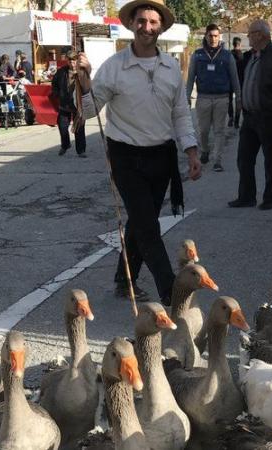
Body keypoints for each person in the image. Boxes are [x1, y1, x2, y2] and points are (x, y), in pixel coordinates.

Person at [76, 0, 201, 304]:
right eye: (141, 21)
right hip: (125, 158)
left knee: (138, 221)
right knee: (147, 225)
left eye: (153, 22)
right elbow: (90, 110)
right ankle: (172, 293)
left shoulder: (171, 67)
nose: (147, 27)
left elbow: (181, 113)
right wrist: (84, 79)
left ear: (162, 27)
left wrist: (192, 151)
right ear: (131, 24)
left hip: (161, 157)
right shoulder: (114, 67)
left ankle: (123, 278)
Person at [228, 19, 272, 211]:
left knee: (270, 159)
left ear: (260, 35)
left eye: (250, 33)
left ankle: (269, 198)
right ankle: (246, 196)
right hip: (249, 118)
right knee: (244, 158)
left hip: (268, 117)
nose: (248, 36)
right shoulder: (252, 56)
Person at [186, 24, 241, 172]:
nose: (213, 38)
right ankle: (205, 150)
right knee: (203, 130)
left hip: (221, 99)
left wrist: (238, 98)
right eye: (210, 35)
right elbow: (191, 77)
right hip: (203, 98)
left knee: (219, 130)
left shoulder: (227, 56)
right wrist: (187, 95)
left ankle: (217, 160)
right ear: (205, 36)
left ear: (220, 37)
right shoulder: (197, 55)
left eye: (216, 35)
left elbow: (235, 78)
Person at [51, 50, 86, 157]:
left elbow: (87, 86)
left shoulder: (82, 71)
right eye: (70, 61)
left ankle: (81, 151)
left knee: (79, 128)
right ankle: (65, 145)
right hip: (64, 103)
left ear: (77, 61)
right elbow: (54, 83)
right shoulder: (61, 72)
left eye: (74, 61)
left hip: (78, 104)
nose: (72, 64)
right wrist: (56, 93)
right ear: (67, 61)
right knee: (62, 125)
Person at [228, 36, 244, 129]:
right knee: (238, 101)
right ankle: (237, 122)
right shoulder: (242, 56)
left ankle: (230, 117)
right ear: (240, 44)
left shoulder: (229, 55)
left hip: (230, 81)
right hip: (239, 81)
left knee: (229, 101)